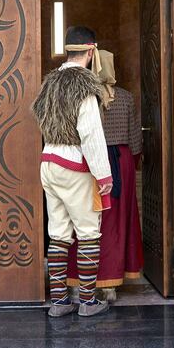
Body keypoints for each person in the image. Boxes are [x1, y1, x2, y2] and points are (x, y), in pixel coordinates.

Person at [31, 26, 113, 318]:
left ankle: (59, 302)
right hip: (75, 165)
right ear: (91, 51)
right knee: (89, 232)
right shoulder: (85, 85)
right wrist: (104, 175)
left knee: (59, 233)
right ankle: (88, 302)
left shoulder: (49, 83)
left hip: (49, 162)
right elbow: (90, 134)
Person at [67, 50, 143, 301]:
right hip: (121, 164)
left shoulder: (84, 97)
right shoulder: (127, 98)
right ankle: (110, 284)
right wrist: (132, 164)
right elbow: (135, 141)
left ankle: (83, 281)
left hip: (89, 163)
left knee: (85, 220)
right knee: (117, 223)